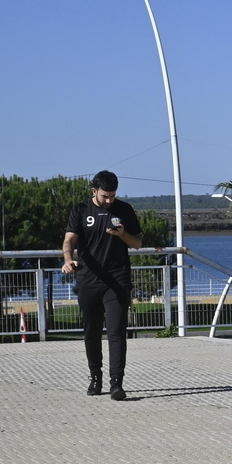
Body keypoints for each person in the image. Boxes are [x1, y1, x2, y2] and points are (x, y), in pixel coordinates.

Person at [62, 170, 143, 400]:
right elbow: (69, 240)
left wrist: (122, 234)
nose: (109, 201)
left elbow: (137, 243)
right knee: (92, 332)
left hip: (117, 280)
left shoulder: (124, 210)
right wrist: (68, 260)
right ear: (94, 191)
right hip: (89, 279)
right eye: (105, 196)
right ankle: (95, 378)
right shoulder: (81, 210)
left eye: (112, 196)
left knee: (117, 332)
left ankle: (117, 383)